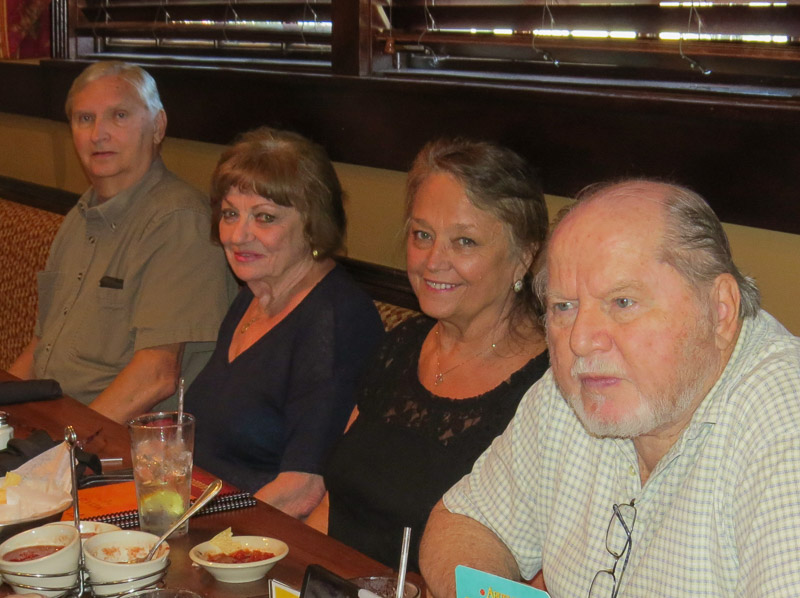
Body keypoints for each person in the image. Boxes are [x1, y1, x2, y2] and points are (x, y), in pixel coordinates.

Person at [419, 179, 800, 597]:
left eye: (622, 303)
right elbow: (464, 523)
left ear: (720, 310)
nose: (581, 340)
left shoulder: (784, 424)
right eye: (564, 307)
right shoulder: (578, 391)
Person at [323, 139, 550, 573]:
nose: (433, 261)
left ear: (523, 256)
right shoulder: (402, 345)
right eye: (422, 235)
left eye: (464, 241)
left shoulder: (549, 391)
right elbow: (336, 503)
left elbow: (545, 573)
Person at [8, 61, 235, 424]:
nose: (99, 133)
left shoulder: (177, 222)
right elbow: (39, 349)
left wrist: (57, 452)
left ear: (157, 126)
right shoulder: (79, 218)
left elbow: (155, 376)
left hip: (120, 448)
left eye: (119, 116)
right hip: (54, 429)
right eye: (85, 119)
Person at [185, 126, 384, 518]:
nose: (239, 235)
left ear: (312, 224)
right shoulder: (254, 295)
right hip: (205, 511)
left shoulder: (335, 321)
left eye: (265, 217)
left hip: (258, 540)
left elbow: (302, 489)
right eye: (230, 213)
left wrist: (199, 533)